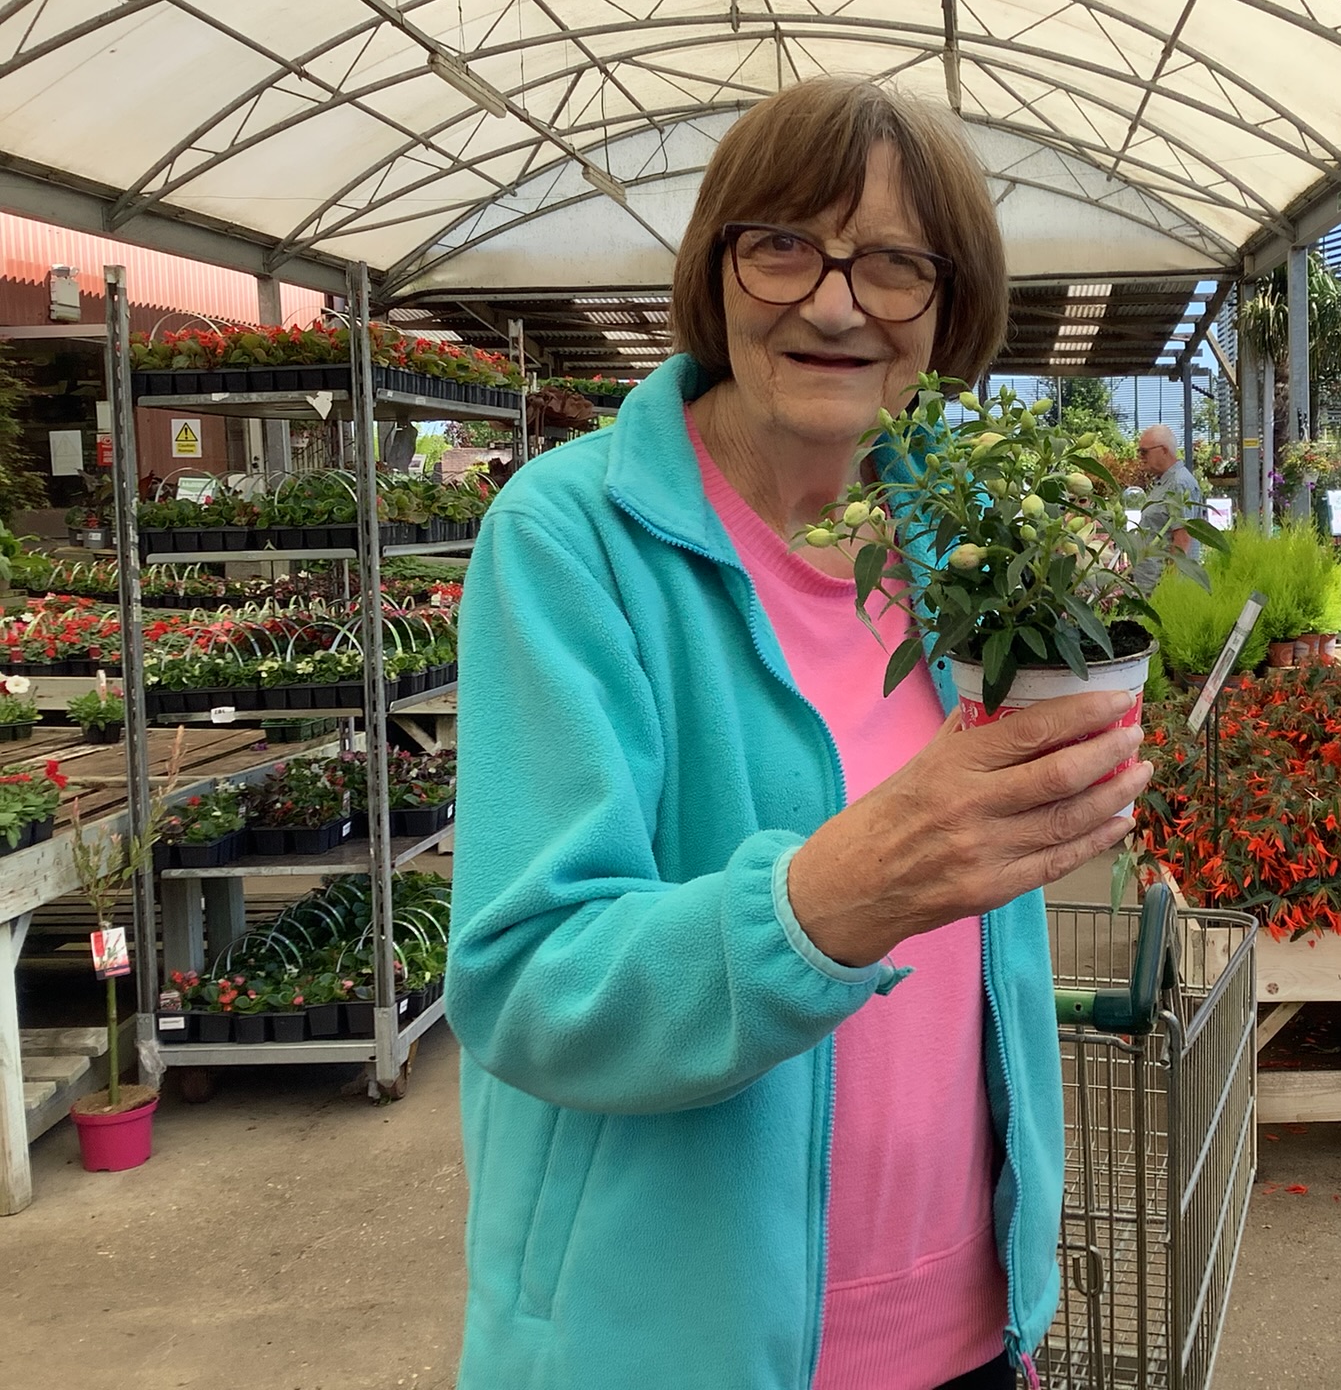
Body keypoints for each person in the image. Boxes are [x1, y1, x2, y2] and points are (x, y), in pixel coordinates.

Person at [446, 77, 1150, 1390]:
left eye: (893, 264)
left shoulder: (964, 554)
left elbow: (976, 963)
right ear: (717, 275)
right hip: (670, 1349)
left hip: (966, 1333)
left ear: (947, 311)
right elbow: (525, 981)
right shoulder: (571, 542)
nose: (833, 303)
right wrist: (833, 897)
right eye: (783, 247)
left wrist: (1012, 1297)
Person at [1130, 423, 1205, 592]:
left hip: (1162, 589)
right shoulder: (1165, 482)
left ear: (1163, 450)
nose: (1140, 457)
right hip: (1151, 586)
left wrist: (1168, 587)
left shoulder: (1179, 483)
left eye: (1144, 451)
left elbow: (1183, 537)